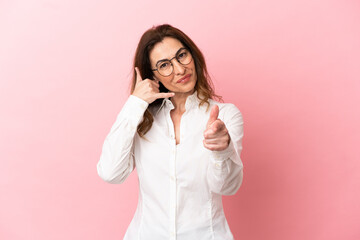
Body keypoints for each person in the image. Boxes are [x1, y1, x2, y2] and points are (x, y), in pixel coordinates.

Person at [97, 24, 244, 240]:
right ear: (152, 76)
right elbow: (110, 173)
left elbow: (227, 187)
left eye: (181, 55)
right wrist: (135, 103)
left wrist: (222, 150)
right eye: (164, 65)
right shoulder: (142, 120)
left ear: (192, 55)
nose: (179, 69)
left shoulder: (225, 115)